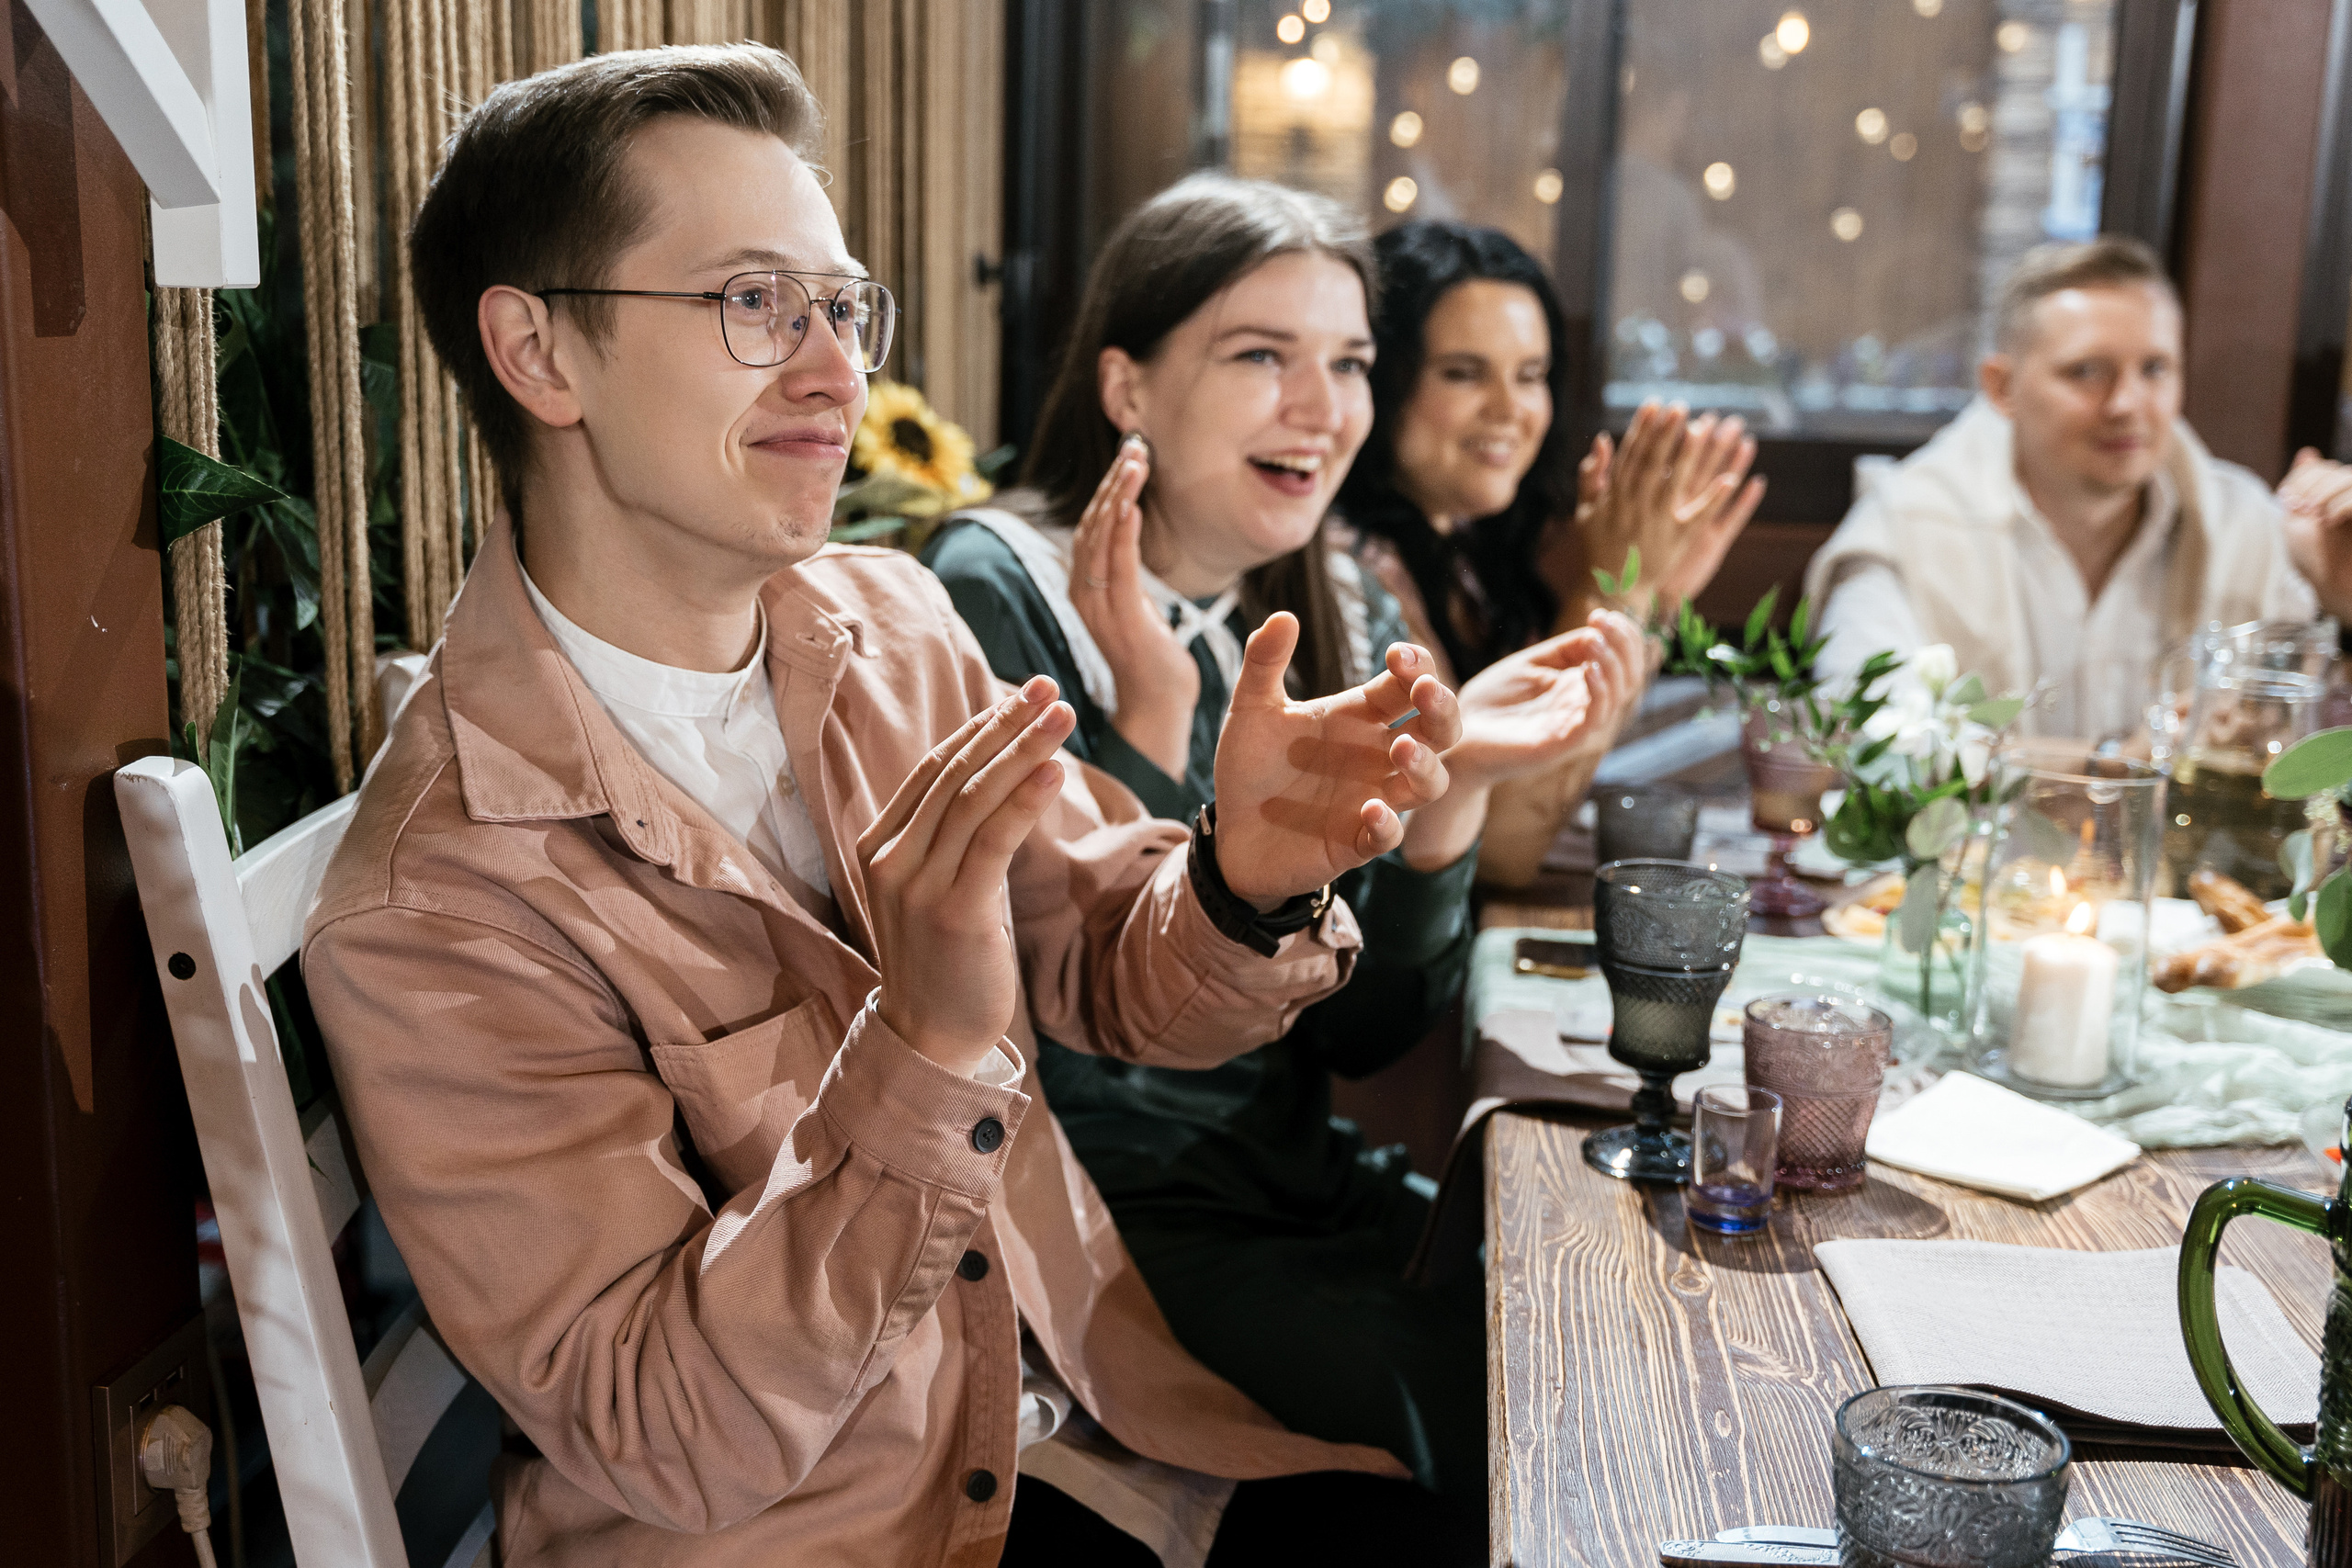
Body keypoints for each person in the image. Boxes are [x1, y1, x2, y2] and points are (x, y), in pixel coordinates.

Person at [302, 45, 1493, 1567]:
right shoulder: (441, 897)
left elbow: (1107, 965)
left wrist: (1239, 877)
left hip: (1092, 1427)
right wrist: (922, 1046)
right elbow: (675, 1430)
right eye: (752, 303)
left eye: (841, 307)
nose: (834, 371)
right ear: (540, 355)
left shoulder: (891, 623)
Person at [922, 174, 1643, 1517]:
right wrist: (1150, 726)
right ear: (1127, 388)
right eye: (1263, 355)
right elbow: (1073, 1031)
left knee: (1591, 1303)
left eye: (1351, 361)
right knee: (1478, 1417)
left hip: (1292, 1168)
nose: (1326, 408)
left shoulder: (1335, 591)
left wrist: (1455, 789)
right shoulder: (987, 586)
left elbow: (1365, 1036)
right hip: (1107, 1214)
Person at [1333, 220, 1766, 882]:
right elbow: (1499, 855)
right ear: (1382, 379)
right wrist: (1616, 590)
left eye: (1531, 374)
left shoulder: (1468, 549)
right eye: (1463, 373)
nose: (1511, 409)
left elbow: (1559, 781)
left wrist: (1660, 592)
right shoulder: (1352, 568)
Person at [1808, 234, 2352, 739]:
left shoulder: (2247, 526)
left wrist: (2344, 599)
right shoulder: (1907, 521)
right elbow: (1863, 729)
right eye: (2087, 372)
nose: (2126, 405)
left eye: (2155, 369)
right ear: (2002, 388)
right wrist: (2111, 772)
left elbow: (2313, 753)